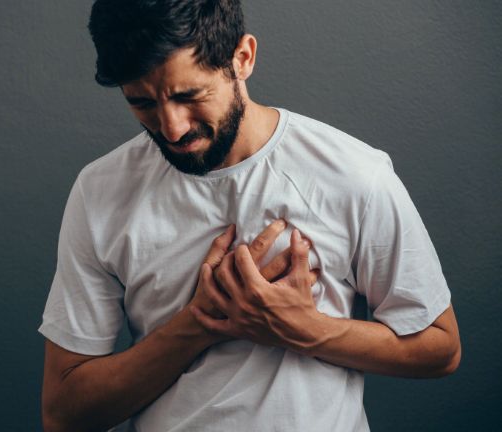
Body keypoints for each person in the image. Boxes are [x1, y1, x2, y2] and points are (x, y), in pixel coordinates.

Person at [38, 1, 461, 431]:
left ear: (243, 58)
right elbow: (63, 413)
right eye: (142, 103)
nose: (172, 128)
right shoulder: (100, 191)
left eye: (190, 95)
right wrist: (198, 324)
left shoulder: (354, 175)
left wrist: (305, 328)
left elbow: (440, 348)